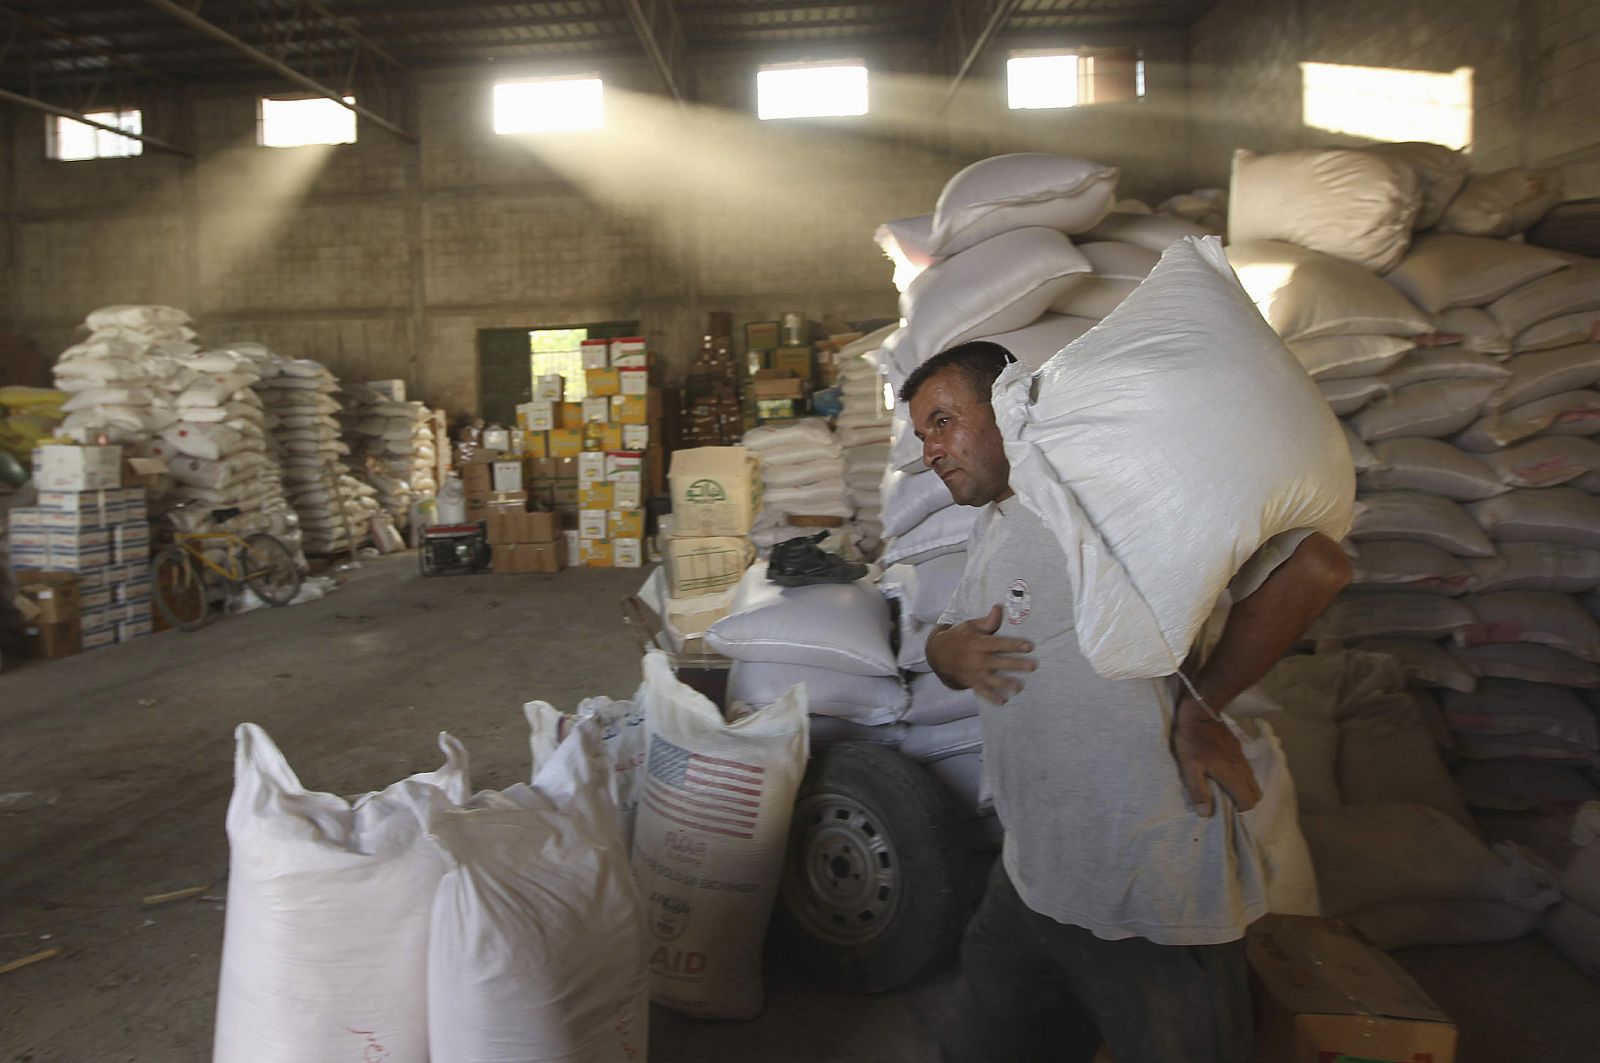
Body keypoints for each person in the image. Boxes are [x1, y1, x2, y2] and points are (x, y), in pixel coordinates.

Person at [907, 341, 1351, 1063]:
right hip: (1030, 881)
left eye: (944, 420)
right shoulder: (995, 526)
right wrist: (945, 653)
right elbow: (952, 639)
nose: (931, 449)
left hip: (1150, 898)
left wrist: (1202, 708)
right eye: (924, 434)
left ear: (1009, 406)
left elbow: (1315, 566)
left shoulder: (1112, 501)